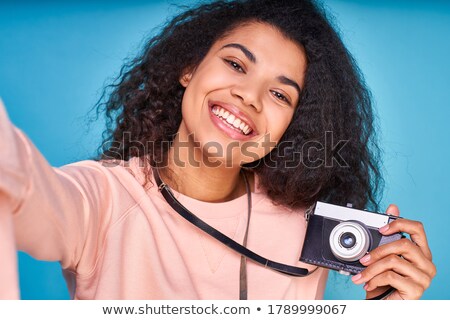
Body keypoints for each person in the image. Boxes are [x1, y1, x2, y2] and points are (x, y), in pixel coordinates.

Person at [0, 0, 435, 300]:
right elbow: (26, 189)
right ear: (188, 69)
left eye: (280, 95)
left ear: (293, 125)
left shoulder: (309, 228)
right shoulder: (102, 197)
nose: (249, 96)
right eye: (235, 64)